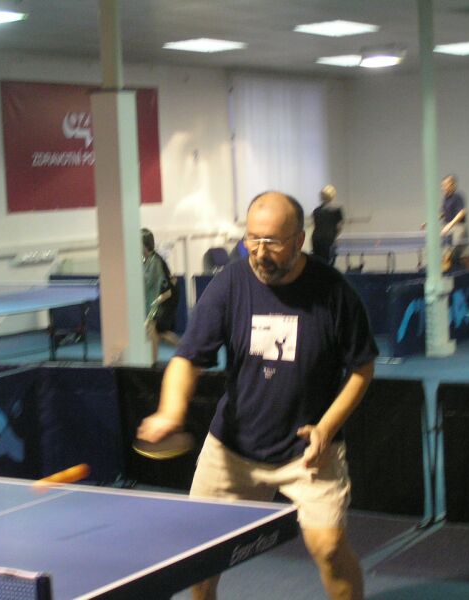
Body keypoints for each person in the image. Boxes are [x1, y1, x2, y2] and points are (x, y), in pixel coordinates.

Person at [137, 192, 377, 600]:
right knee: (201, 558)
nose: (260, 253)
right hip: (233, 449)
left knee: (330, 548)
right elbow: (187, 359)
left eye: (273, 242)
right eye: (253, 239)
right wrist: (170, 411)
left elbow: (362, 369)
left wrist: (327, 427)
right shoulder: (229, 284)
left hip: (307, 452)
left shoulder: (334, 292)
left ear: (299, 239)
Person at [142, 228, 181, 365]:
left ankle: (153, 364)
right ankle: (190, 353)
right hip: (161, 297)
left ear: (144, 245)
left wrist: (153, 306)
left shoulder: (156, 262)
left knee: (153, 327)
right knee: (161, 333)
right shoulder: (146, 259)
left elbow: (167, 292)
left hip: (167, 297)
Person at [440, 175, 469, 272]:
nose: (443, 187)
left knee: (451, 251)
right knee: (464, 256)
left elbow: (462, 212)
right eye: (442, 185)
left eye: (445, 184)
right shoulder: (445, 199)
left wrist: (450, 225)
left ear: (452, 185)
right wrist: (429, 222)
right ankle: (444, 271)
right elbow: (442, 214)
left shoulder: (458, 197)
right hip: (449, 228)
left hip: (459, 228)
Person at [311, 184, 344, 266]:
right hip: (329, 239)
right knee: (329, 263)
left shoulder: (316, 211)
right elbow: (339, 227)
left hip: (317, 239)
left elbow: (315, 225)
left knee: (318, 264)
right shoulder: (337, 210)